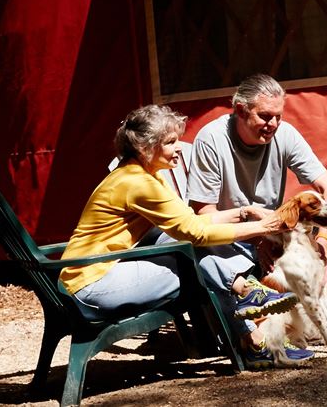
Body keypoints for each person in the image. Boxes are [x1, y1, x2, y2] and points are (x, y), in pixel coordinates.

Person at [59, 104, 312, 366]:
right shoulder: (137, 183)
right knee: (194, 262)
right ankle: (251, 316)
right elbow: (197, 233)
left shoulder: (141, 174)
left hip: (97, 272)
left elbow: (190, 223)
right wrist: (267, 227)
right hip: (93, 284)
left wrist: (245, 212)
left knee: (187, 250)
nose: (179, 147)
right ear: (146, 147)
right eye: (170, 142)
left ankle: (251, 320)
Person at [183, 74, 327, 289]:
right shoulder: (212, 138)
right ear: (241, 110)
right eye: (265, 116)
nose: (274, 124)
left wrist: (324, 240)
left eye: (278, 116)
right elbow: (204, 214)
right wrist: (259, 236)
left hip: (273, 227)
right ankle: (250, 299)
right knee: (204, 245)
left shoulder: (285, 134)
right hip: (232, 236)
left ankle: (313, 291)